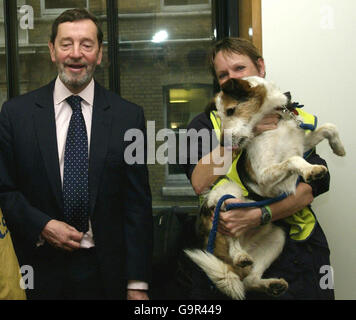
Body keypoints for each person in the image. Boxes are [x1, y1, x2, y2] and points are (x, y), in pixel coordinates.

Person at [0, 8, 153, 300]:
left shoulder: (128, 117)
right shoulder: (15, 114)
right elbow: (4, 190)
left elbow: (137, 205)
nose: (75, 53)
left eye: (86, 44)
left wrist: (137, 283)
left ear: (99, 53)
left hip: (105, 273)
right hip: (36, 270)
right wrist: (42, 225)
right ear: (52, 51)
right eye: (66, 43)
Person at [182, 37, 334, 300]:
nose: (231, 78)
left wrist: (260, 215)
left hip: (298, 251)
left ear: (260, 68)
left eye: (239, 69)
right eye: (223, 74)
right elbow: (199, 182)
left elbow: (310, 188)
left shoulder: (291, 114)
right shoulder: (206, 124)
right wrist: (240, 134)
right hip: (237, 247)